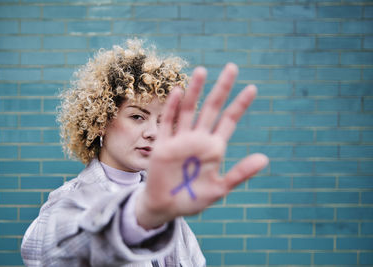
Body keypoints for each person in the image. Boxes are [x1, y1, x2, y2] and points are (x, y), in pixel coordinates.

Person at [21, 39, 269, 266]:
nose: (153, 132)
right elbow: (44, 250)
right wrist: (140, 215)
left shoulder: (166, 203)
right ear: (101, 121)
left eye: (163, 121)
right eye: (137, 116)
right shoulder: (68, 201)